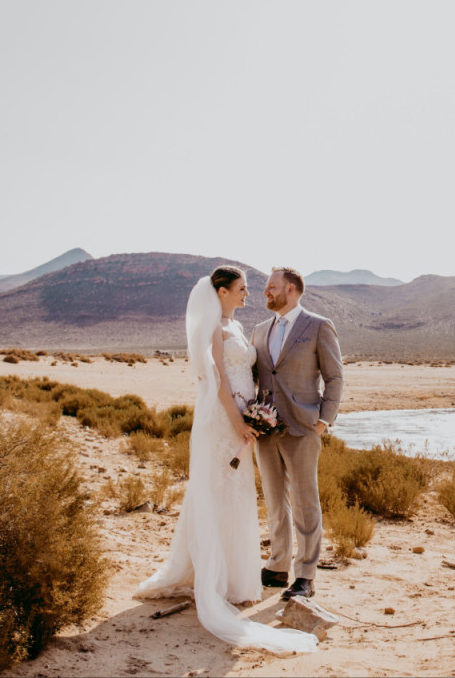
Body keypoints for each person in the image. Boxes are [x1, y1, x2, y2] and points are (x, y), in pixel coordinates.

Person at [134, 266, 318, 654]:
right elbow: (217, 381)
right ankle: (213, 580)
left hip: (243, 420)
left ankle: (236, 580)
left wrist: (255, 415)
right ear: (220, 292)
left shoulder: (239, 327)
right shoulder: (215, 328)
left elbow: (251, 374)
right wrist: (239, 422)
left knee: (235, 494)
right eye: (241, 289)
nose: (248, 294)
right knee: (216, 490)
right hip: (222, 421)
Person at [251, 267, 344, 601]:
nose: (265, 292)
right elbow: (255, 378)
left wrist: (323, 421)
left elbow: (335, 377)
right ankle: (277, 566)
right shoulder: (260, 330)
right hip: (265, 430)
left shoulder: (318, 326)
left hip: (303, 428)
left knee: (306, 503)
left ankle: (306, 575)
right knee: (275, 501)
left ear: (290, 290)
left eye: (271, 287)